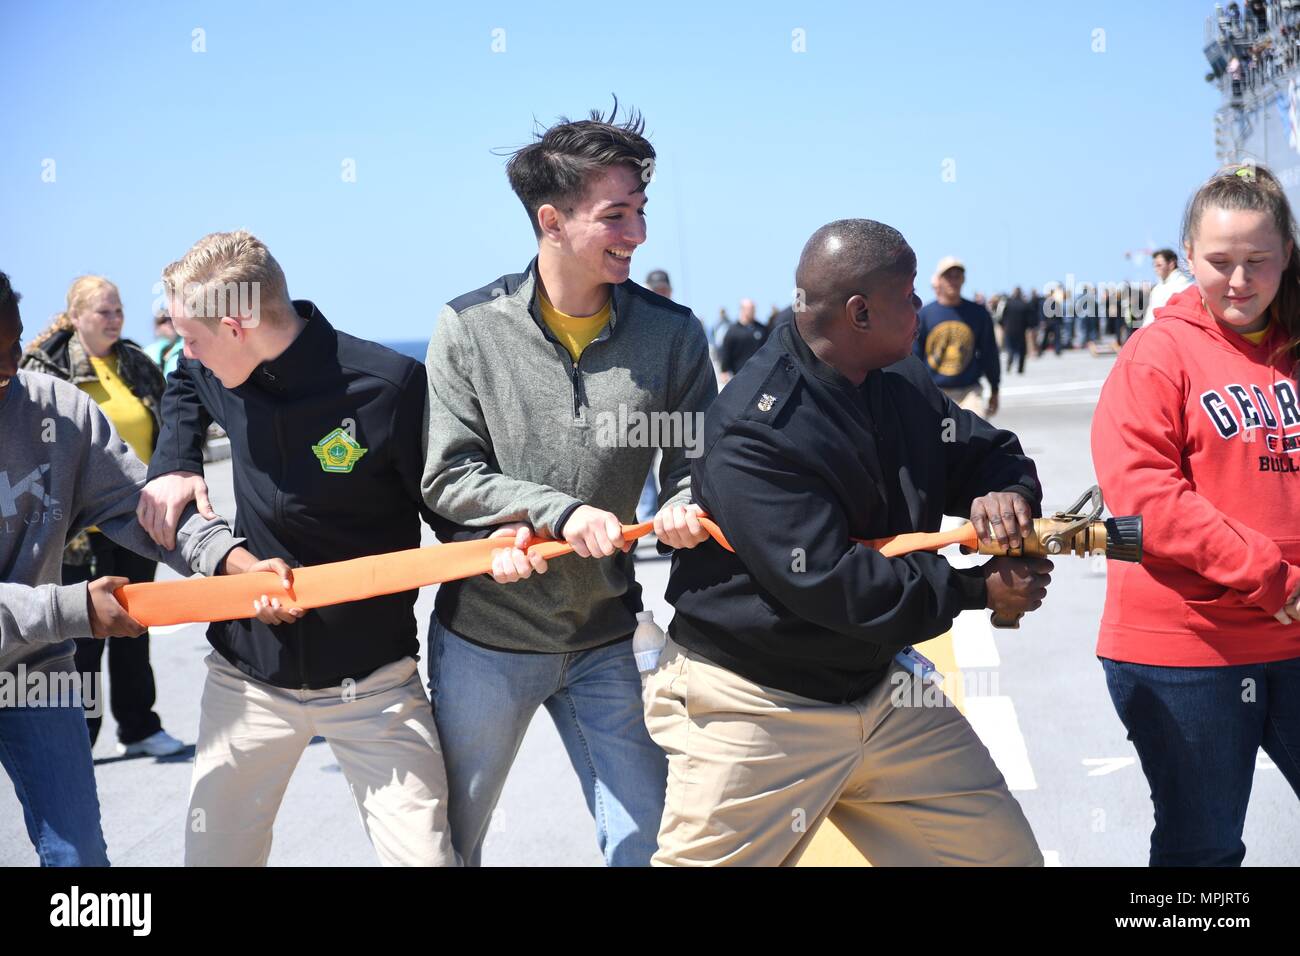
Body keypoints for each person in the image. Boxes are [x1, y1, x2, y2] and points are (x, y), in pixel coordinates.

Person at [648, 220, 1051, 866]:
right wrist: (981, 589)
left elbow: (987, 451)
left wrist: (1004, 494)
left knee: (1002, 859)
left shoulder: (898, 380)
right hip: (759, 704)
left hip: (878, 688)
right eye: (908, 294)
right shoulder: (754, 430)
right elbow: (834, 583)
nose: (921, 307)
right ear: (860, 313)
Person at [421, 104, 717, 866]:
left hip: (607, 637)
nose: (638, 235)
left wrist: (688, 503)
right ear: (551, 221)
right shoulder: (468, 329)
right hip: (486, 642)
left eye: (642, 212)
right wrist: (559, 512)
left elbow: (696, 460)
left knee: (652, 844)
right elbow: (448, 477)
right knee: (447, 844)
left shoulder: (674, 333)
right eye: (616, 216)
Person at [135, 230, 457, 867]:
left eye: (191, 337)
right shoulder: (210, 366)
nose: (183, 352)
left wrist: (505, 547)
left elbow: (450, 507)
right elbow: (182, 384)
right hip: (246, 681)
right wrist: (173, 460)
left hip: (374, 686)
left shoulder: (389, 387)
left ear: (236, 325)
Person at [0, 269, 260, 866]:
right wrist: (73, 608)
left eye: (13, 343)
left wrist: (226, 557)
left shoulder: (59, 409)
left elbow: (135, 505)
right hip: (58, 613)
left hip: (36, 671)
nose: (10, 368)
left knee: (79, 853)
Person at [1092, 164, 1300, 866]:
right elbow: (1145, 498)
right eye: (1219, 263)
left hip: (1294, 639)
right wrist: (1275, 579)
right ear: (1188, 256)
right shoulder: (1158, 355)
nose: (1238, 281)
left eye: (1258, 261)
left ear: (1288, 255)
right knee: (1203, 851)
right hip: (1187, 650)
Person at [20, 276, 185, 758]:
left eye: (118, 311)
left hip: (138, 517)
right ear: (75, 317)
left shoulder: (135, 361)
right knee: (82, 636)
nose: (114, 320)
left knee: (137, 624)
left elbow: (170, 422)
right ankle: (79, 737)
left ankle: (139, 727)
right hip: (72, 529)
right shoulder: (44, 367)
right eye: (103, 313)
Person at [914, 256, 1001, 415]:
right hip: (935, 392)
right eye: (948, 276)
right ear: (938, 280)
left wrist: (994, 388)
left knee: (976, 437)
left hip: (969, 391)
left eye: (957, 276)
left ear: (963, 280)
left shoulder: (978, 313)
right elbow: (915, 358)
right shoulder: (924, 315)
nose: (953, 280)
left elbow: (989, 353)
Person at [717, 297, 769, 384]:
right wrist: (724, 371)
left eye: (754, 309)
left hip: (761, 375)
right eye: (750, 309)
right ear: (742, 310)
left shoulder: (762, 329)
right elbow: (726, 353)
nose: (753, 311)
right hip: (740, 376)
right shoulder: (732, 331)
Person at [1140, 248, 1193, 326]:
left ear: (1171, 264)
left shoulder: (1183, 284)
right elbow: (1149, 317)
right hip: (1155, 331)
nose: (1155, 269)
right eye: (1154, 266)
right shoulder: (1157, 288)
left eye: (1159, 265)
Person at [1000, 287, 1033, 374]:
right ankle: (1020, 369)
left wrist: (1003, 325)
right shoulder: (1024, 304)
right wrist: (1028, 327)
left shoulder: (1008, 303)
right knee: (1022, 350)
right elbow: (1029, 319)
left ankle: (1009, 364)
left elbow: (1002, 317)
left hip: (1009, 330)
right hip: (1021, 330)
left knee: (1010, 349)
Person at [143, 309, 183, 377]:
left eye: (171, 318)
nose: (169, 323)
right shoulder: (147, 353)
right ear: (156, 329)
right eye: (163, 320)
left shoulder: (190, 348)